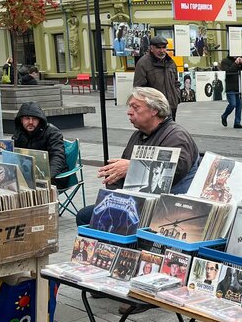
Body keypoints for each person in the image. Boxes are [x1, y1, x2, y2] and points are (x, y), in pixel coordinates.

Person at [75, 87, 199, 225]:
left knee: (87, 217)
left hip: (165, 207)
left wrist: (133, 167)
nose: (129, 112)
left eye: (135, 107)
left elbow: (177, 170)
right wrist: (114, 193)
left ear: (154, 110)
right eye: (130, 107)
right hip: (136, 201)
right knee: (88, 216)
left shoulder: (176, 136)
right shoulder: (140, 134)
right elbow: (121, 170)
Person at [12, 102, 68, 184]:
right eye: (27, 118)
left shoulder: (52, 133)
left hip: (54, 176)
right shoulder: (18, 134)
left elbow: (57, 156)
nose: (30, 122)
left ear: (40, 120)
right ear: (21, 120)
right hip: (27, 175)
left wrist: (48, 177)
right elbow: (13, 156)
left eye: (34, 119)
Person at [133, 37, 181, 120]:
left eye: (164, 47)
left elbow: (176, 82)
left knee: (170, 128)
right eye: (158, 48)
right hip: (154, 108)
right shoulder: (143, 63)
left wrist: (176, 97)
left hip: (171, 106)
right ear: (151, 48)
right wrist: (149, 105)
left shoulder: (171, 63)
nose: (162, 51)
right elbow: (139, 89)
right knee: (155, 128)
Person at [220, 55, 242, 129]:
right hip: (230, 86)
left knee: (239, 105)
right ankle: (224, 116)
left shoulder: (240, 60)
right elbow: (228, 72)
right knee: (232, 104)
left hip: (238, 86)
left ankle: (237, 122)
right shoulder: (225, 61)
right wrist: (235, 63)